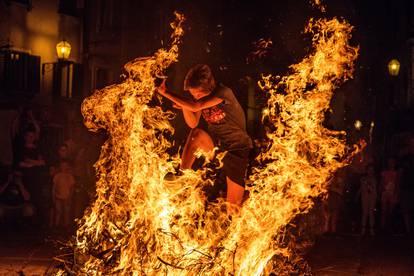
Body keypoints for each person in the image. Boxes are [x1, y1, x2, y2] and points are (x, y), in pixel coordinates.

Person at [157, 64, 252, 211]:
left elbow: (195, 106)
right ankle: (182, 176)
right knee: (197, 135)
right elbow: (193, 123)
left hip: (236, 150)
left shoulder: (223, 93)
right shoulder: (200, 102)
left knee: (233, 209)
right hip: (218, 148)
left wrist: (166, 92)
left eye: (198, 95)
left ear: (209, 88)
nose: (195, 98)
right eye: (193, 95)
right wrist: (184, 106)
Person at [51, 161, 75, 229]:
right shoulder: (57, 176)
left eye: (65, 165)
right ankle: (56, 227)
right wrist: (53, 196)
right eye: (62, 165)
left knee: (66, 212)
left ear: (67, 166)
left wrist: (70, 197)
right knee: (58, 212)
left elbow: (72, 188)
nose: (63, 167)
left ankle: (65, 227)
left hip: (67, 197)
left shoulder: (70, 176)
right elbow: (54, 187)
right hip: (58, 196)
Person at [356, 164, 377, 236]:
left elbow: (374, 189)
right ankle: (363, 229)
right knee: (365, 212)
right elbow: (361, 188)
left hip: (372, 197)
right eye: (369, 170)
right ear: (367, 171)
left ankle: (371, 229)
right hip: (364, 196)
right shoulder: (363, 178)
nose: (370, 171)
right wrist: (357, 196)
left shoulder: (374, 179)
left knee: (371, 213)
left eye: (372, 170)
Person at [379, 157, 399, 231]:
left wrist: (396, 193)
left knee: (391, 211)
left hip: (392, 192)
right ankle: (383, 228)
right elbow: (381, 182)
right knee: (383, 211)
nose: (391, 163)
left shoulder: (396, 173)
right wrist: (380, 191)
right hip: (385, 192)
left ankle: (390, 227)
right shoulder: (384, 172)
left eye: (392, 162)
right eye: (389, 162)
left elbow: (397, 183)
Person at [324, 169, 346, 234]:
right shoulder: (328, 179)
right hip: (328, 198)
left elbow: (341, 191)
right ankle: (326, 231)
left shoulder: (339, 179)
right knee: (327, 215)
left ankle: (333, 231)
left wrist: (332, 188)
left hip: (336, 199)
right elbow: (325, 187)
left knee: (334, 215)